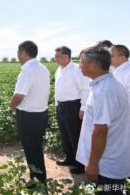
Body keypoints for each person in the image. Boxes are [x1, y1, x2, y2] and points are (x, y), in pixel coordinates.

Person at [76, 46, 130, 195]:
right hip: (112, 158)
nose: (80, 66)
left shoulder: (103, 91)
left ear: (92, 65)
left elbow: (100, 131)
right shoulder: (111, 83)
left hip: (105, 164)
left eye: (82, 62)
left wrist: (93, 163)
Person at [10, 41, 50, 185]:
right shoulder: (43, 68)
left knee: (31, 150)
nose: (18, 56)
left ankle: (38, 182)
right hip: (41, 114)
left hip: (28, 116)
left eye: (18, 53)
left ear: (23, 53)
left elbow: (19, 96)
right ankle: (38, 178)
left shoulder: (27, 71)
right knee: (36, 148)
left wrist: (12, 106)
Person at [54, 46, 90, 174]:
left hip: (73, 106)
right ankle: (69, 158)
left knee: (75, 135)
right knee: (65, 134)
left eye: (58, 56)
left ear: (66, 56)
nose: (56, 58)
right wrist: (56, 104)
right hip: (61, 106)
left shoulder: (76, 70)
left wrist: (83, 108)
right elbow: (57, 88)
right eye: (56, 56)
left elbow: (85, 89)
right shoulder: (59, 70)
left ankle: (80, 164)